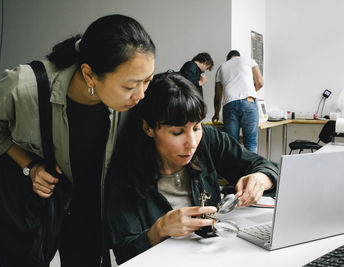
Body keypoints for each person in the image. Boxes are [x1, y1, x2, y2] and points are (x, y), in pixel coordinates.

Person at [0, 14, 155, 267]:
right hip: (33, 208)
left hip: (89, 210)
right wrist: (30, 166)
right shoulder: (24, 87)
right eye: (130, 86)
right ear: (89, 74)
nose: (141, 95)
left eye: (147, 81)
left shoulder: (131, 101)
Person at [105, 71, 278, 265]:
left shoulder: (209, 139)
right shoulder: (123, 171)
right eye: (177, 132)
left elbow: (267, 166)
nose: (191, 143)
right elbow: (125, 253)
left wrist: (261, 178)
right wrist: (160, 229)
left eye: (196, 127)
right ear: (148, 128)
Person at [212, 50, 264, 153]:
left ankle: (235, 169)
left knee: (232, 144)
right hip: (249, 102)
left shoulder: (221, 67)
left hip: (229, 104)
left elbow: (218, 97)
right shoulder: (249, 60)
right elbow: (260, 82)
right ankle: (252, 169)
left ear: (227, 57)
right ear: (238, 56)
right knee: (251, 143)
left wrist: (216, 114)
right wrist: (249, 93)